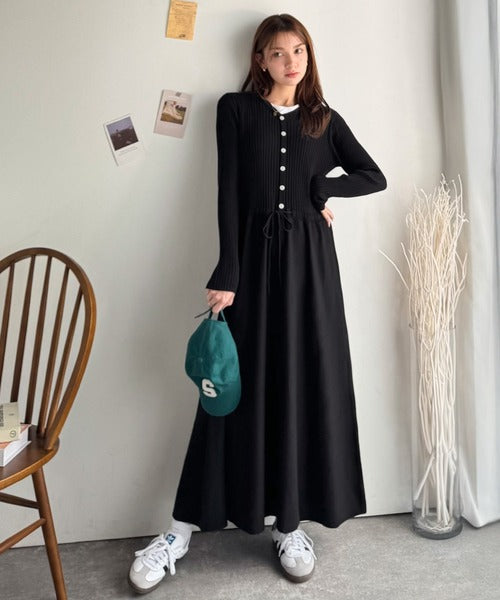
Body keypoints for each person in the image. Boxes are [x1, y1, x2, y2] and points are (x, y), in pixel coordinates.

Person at [128, 13, 387, 593]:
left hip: (310, 272)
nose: (290, 62)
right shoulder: (235, 110)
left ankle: (288, 526)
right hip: (250, 264)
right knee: (226, 391)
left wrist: (324, 188)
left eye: (299, 51)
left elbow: (373, 175)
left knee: (297, 383)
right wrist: (229, 269)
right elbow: (228, 191)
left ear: (308, 56)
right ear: (260, 60)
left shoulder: (324, 119)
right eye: (277, 52)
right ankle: (179, 530)